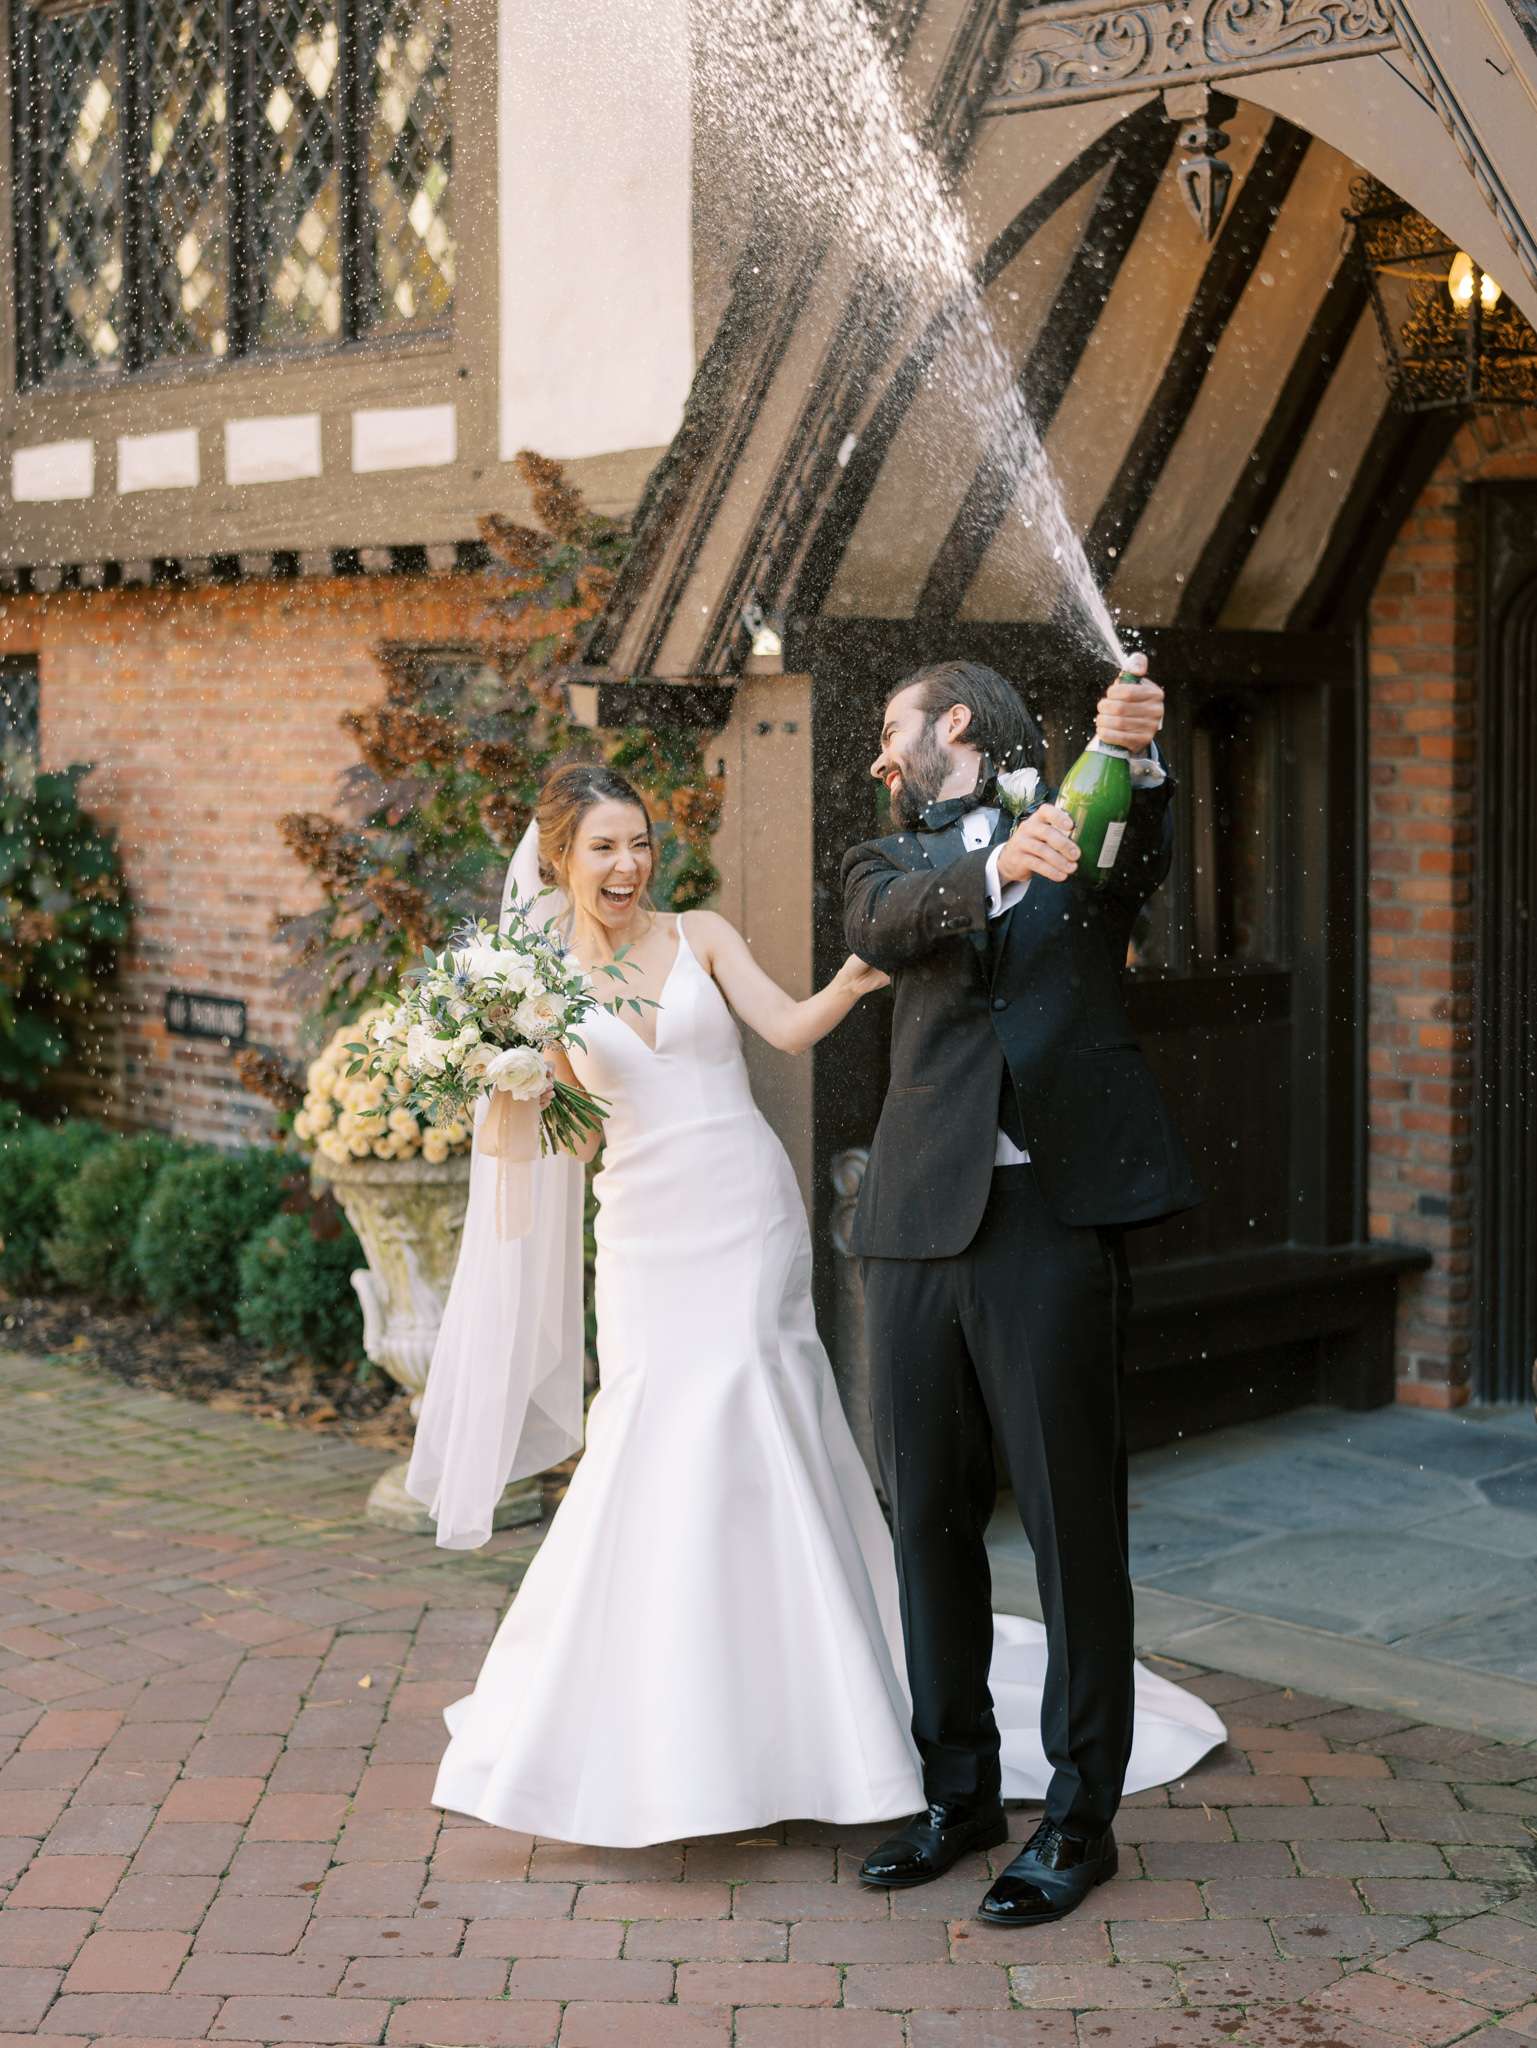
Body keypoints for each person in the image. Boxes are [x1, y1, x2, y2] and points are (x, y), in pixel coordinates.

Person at [407, 756, 1221, 1852]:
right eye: (603, 845)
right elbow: (573, 1129)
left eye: (639, 840)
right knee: (650, 1436)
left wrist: (857, 977)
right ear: (559, 857)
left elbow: (786, 1027)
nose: (628, 861)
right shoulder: (531, 981)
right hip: (641, 1232)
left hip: (743, 1215)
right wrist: (504, 1081)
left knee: (755, 1415)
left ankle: (823, 1711)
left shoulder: (697, 935)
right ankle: (677, 1717)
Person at [843, 656, 1203, 1927]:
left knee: (1068, 1519)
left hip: (1050, 1224)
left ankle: (1076, 1818)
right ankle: (956, 1795)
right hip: (915, 1233)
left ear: (949, 720)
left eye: (889, 729)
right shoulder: (888, 864)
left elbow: (1133, 851)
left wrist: (1130, 755)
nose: (876, 756)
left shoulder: (1082, 821)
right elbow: (881, 933)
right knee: (927, 1514)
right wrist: (999, 865)